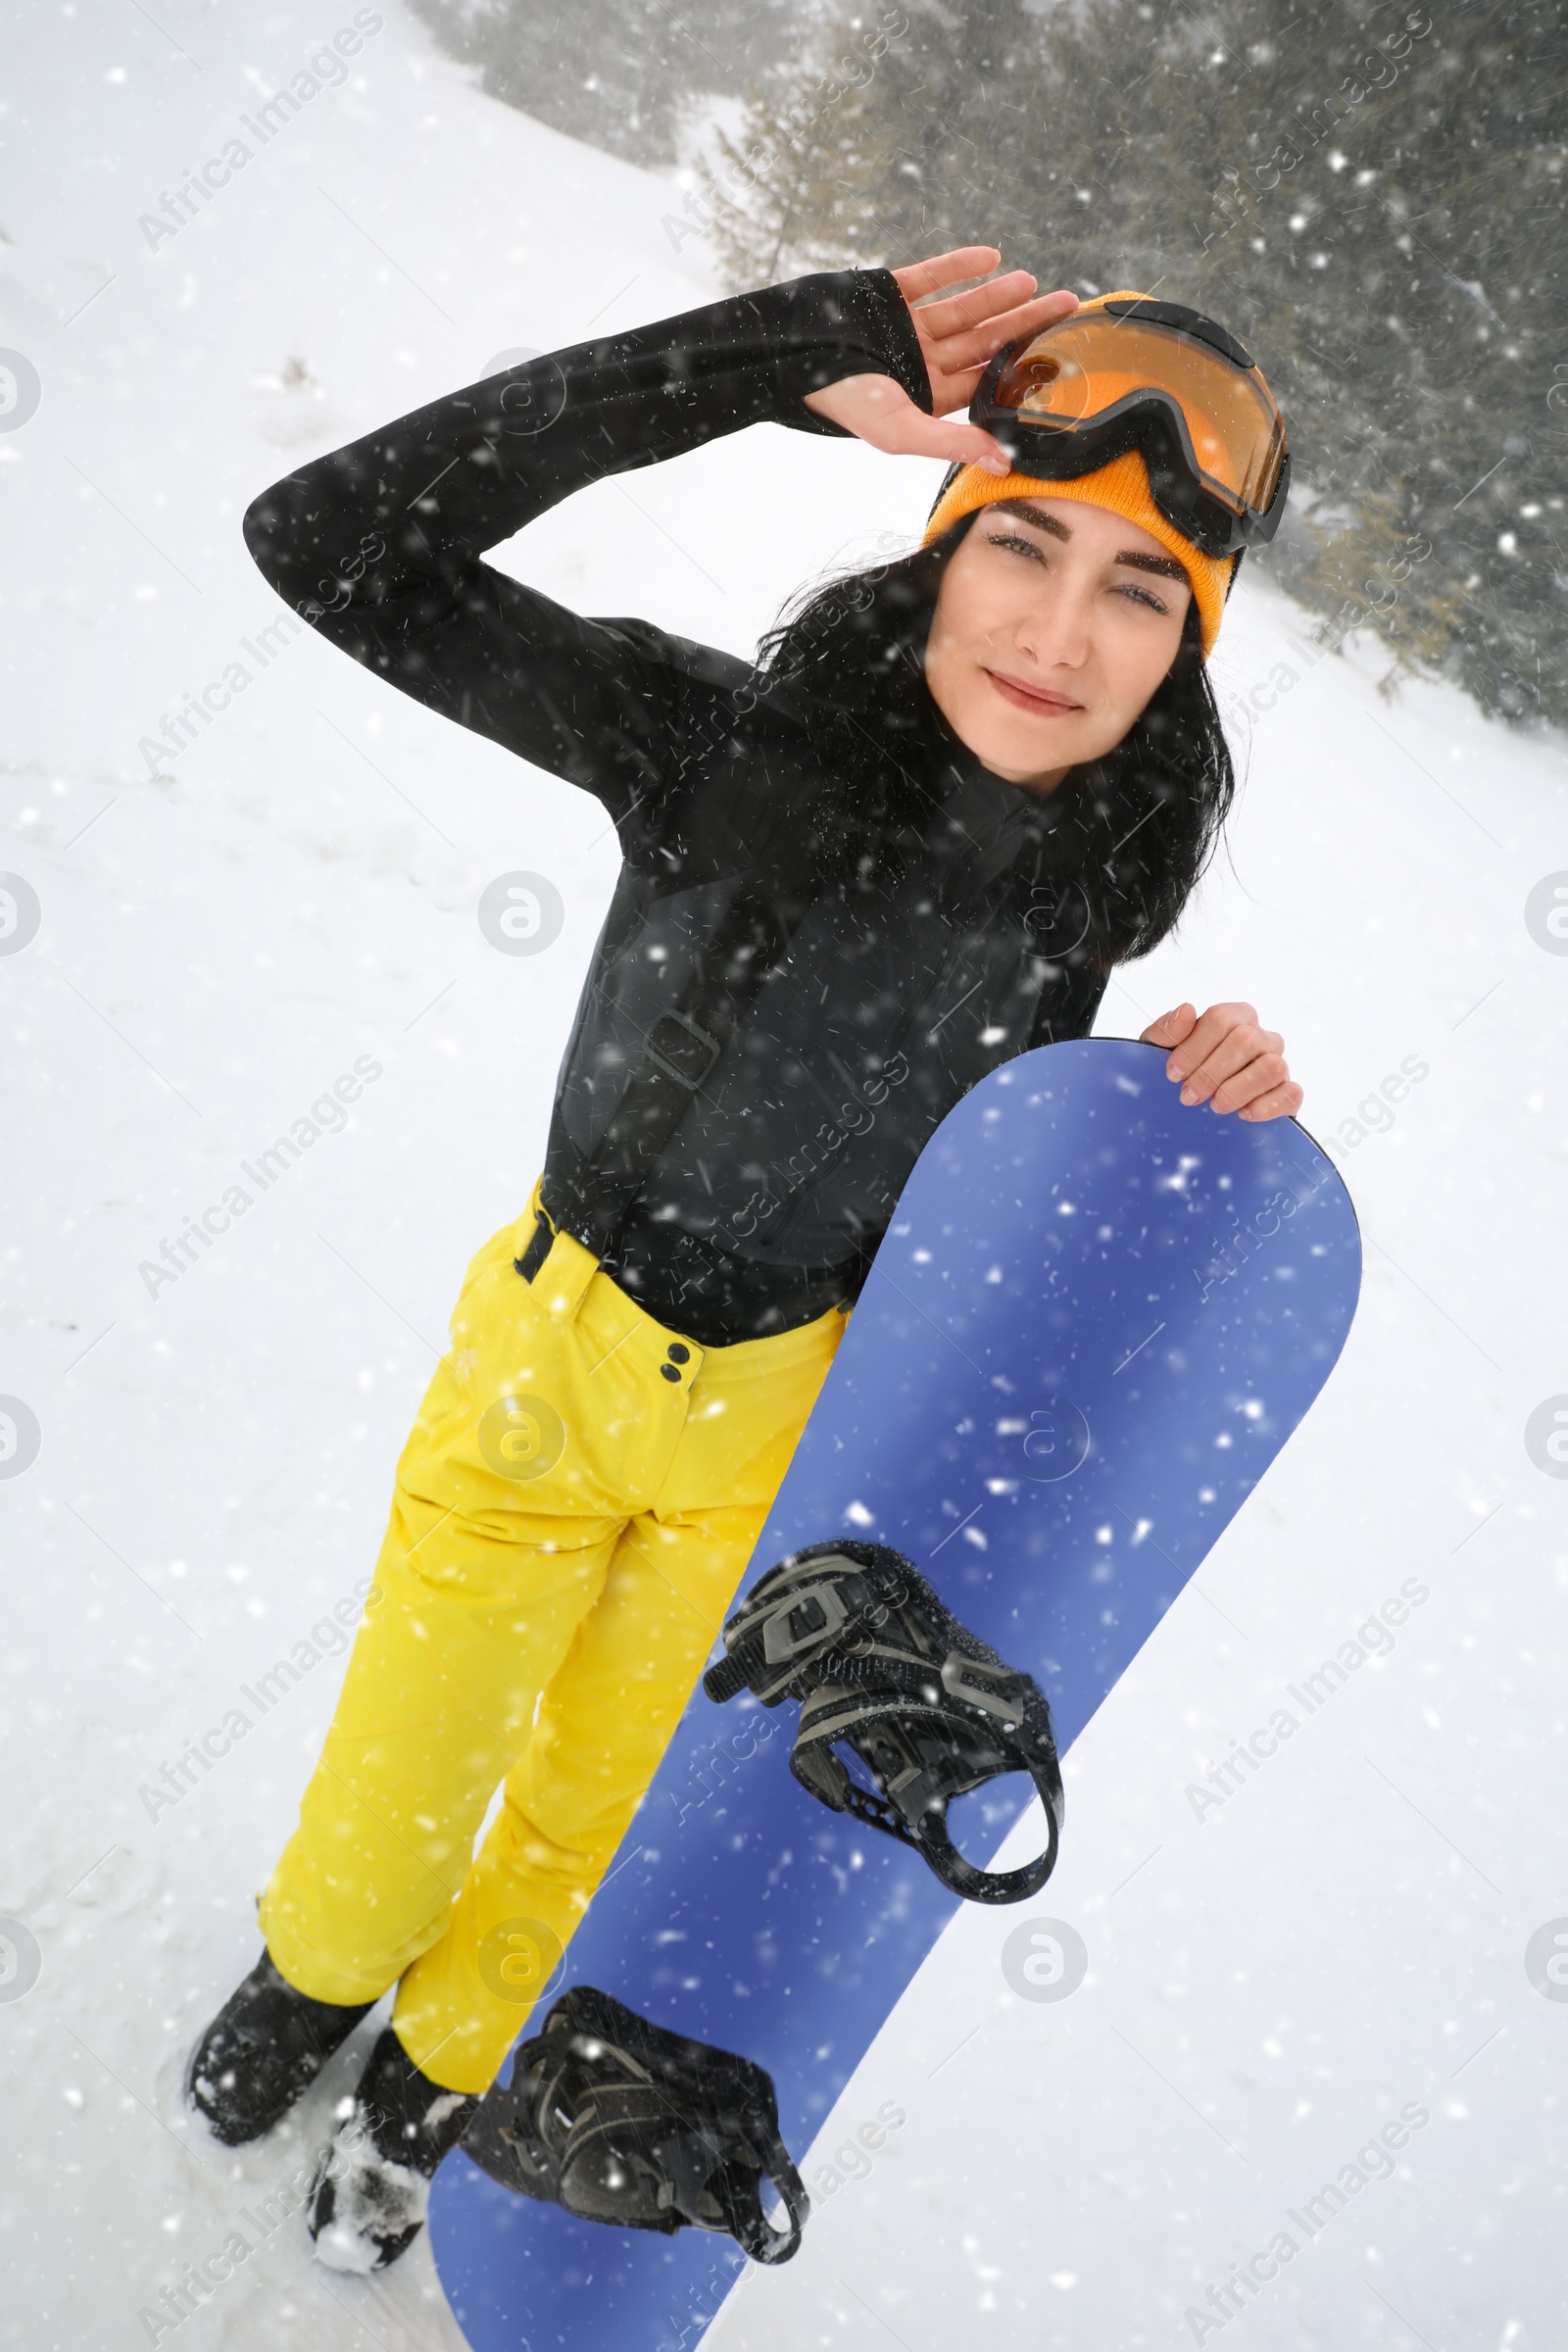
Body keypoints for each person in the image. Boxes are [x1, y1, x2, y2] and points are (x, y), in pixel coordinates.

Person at [185, 246, 1302, 2270]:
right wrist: (768, 361)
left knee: (589, 1816)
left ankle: (440, 2074)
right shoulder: (712, 751)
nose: (1057, 635)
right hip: (550, 1365)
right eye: (1022, 549)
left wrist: (1172, 1114)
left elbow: (1004, 1211)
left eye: (1136, 590)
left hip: (777, 1447)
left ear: (1184, 652)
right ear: (938, 550)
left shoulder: (1090, 902)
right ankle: (316, 1973)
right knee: (399, 1777)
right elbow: (330, 535)